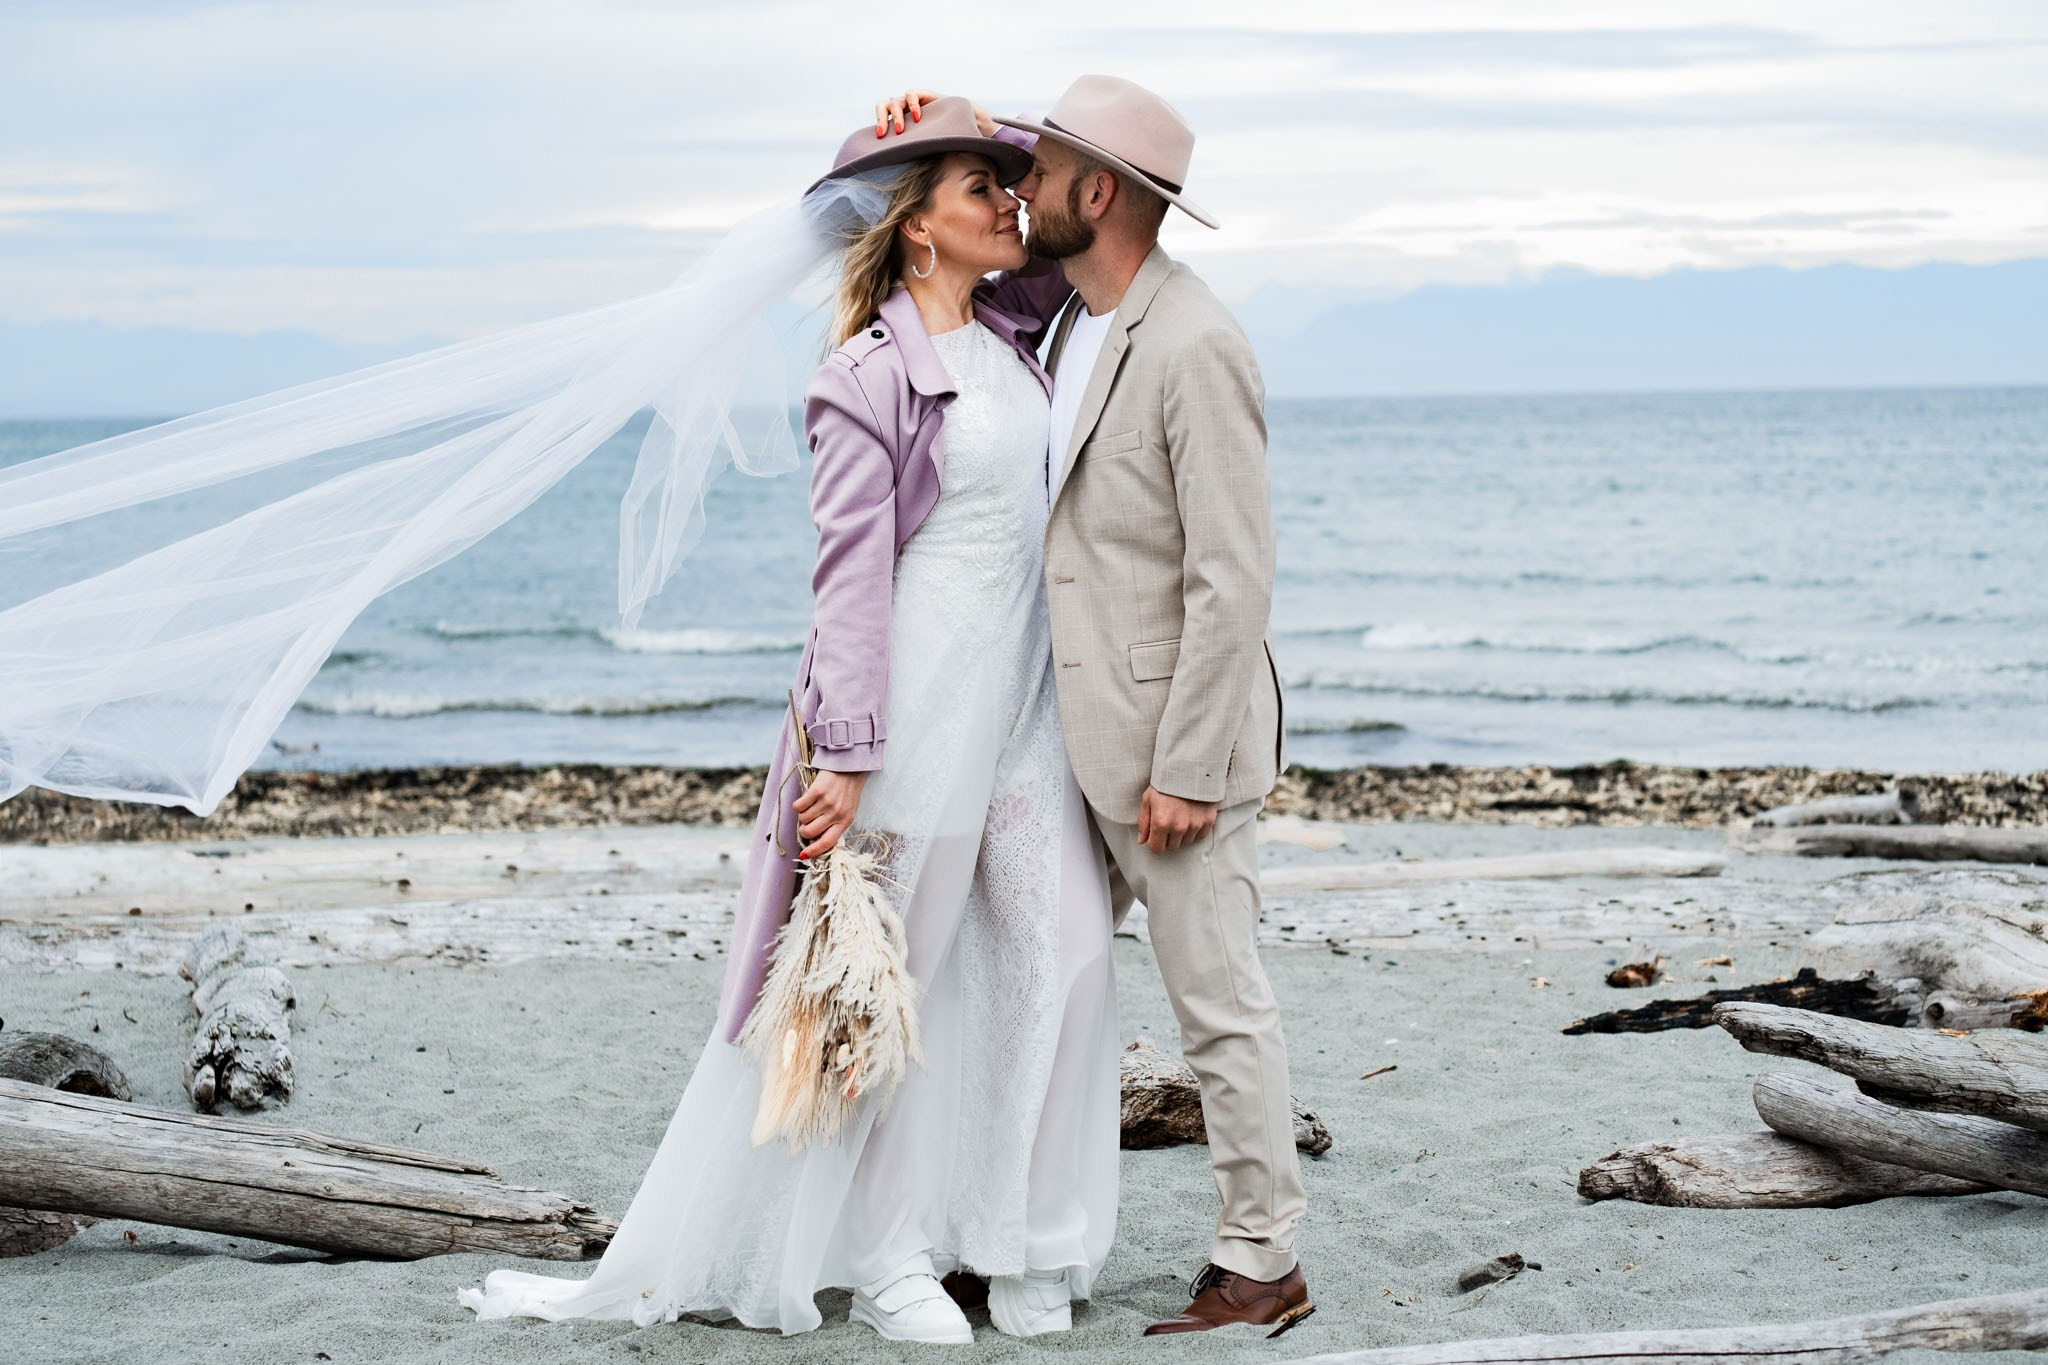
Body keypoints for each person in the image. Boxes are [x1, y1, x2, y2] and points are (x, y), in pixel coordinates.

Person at [460, 97, 1120, 1343]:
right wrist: (850, 754)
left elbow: (1069, 212)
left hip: (1024, 706)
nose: (1006, 202)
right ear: (914, 227)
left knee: (1067, 949)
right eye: (976, 187)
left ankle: (1023, 1242)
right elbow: (848, 583)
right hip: (918, 711)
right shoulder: (861, 378)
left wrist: (960, 123)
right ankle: (886, 1261)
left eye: (1003, 184)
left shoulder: (1008, 324)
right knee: (887, 992)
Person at [878, 75, 1314, 1337]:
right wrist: (944, 117)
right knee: (1034, 988)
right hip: (1066, 739)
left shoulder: (1194, 341)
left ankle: (1260, 1264)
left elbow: (1232, 579)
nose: (1021, 184)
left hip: (1171, 759)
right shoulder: (1066, 315)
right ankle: (999, 1238)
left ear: (1099, 192)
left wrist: (1185, 768)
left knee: (1217, 1009)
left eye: (1043, 165)